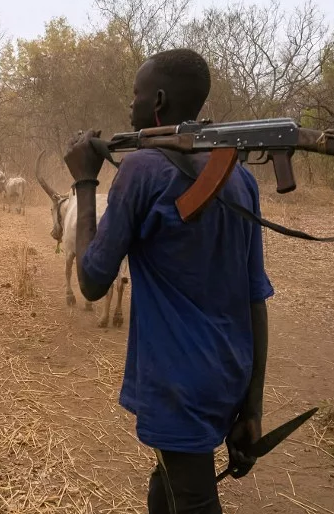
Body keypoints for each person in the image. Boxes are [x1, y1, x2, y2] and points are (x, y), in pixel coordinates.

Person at [62, 48, 274, 513]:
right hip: (229, 375)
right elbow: (255, 297)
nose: (130, 107)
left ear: (158, 100)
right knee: (170, 484)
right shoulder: (238, 176)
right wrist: (252, 407)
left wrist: (84, 182)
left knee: (193, 500)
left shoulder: (141, 171)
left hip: (180, 385)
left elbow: (94, 281)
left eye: (136, 96)